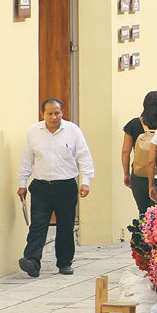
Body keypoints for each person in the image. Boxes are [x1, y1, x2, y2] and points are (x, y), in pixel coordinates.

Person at [16, 99, 94, 277]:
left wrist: (86, 181)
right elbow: (27, 159)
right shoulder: (34, 132)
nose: (54, 117)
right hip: (41, 186)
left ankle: (64, 262)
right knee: (38, 224)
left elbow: (84, 156)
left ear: (62, 112)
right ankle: (32, 261)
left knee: (66, 226)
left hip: (65, 186)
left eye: (57, 113)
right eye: (50, 113)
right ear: (42, 114)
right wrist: (22, 184)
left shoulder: (73, 131)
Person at [121, 91, 157, 214]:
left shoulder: (133, 124)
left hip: (139, 174)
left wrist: (126, 173)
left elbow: (126, 151)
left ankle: (143, 232)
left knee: (143, 211)